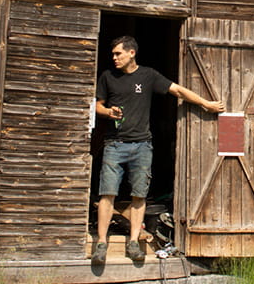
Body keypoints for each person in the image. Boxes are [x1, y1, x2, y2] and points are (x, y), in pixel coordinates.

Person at [92, 35, 224, 264]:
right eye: (113, 54)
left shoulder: (148, 75)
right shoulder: (107, 77)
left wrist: (206, 103)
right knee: (107, 193)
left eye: (118, 53)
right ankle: (101, 244)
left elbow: (179, 91)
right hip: (114, 143)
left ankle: (134, 242)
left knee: (139, 194)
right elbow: (97, 106)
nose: (114, 58)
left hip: (142, 144)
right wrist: (108, 112)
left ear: (131, 53)